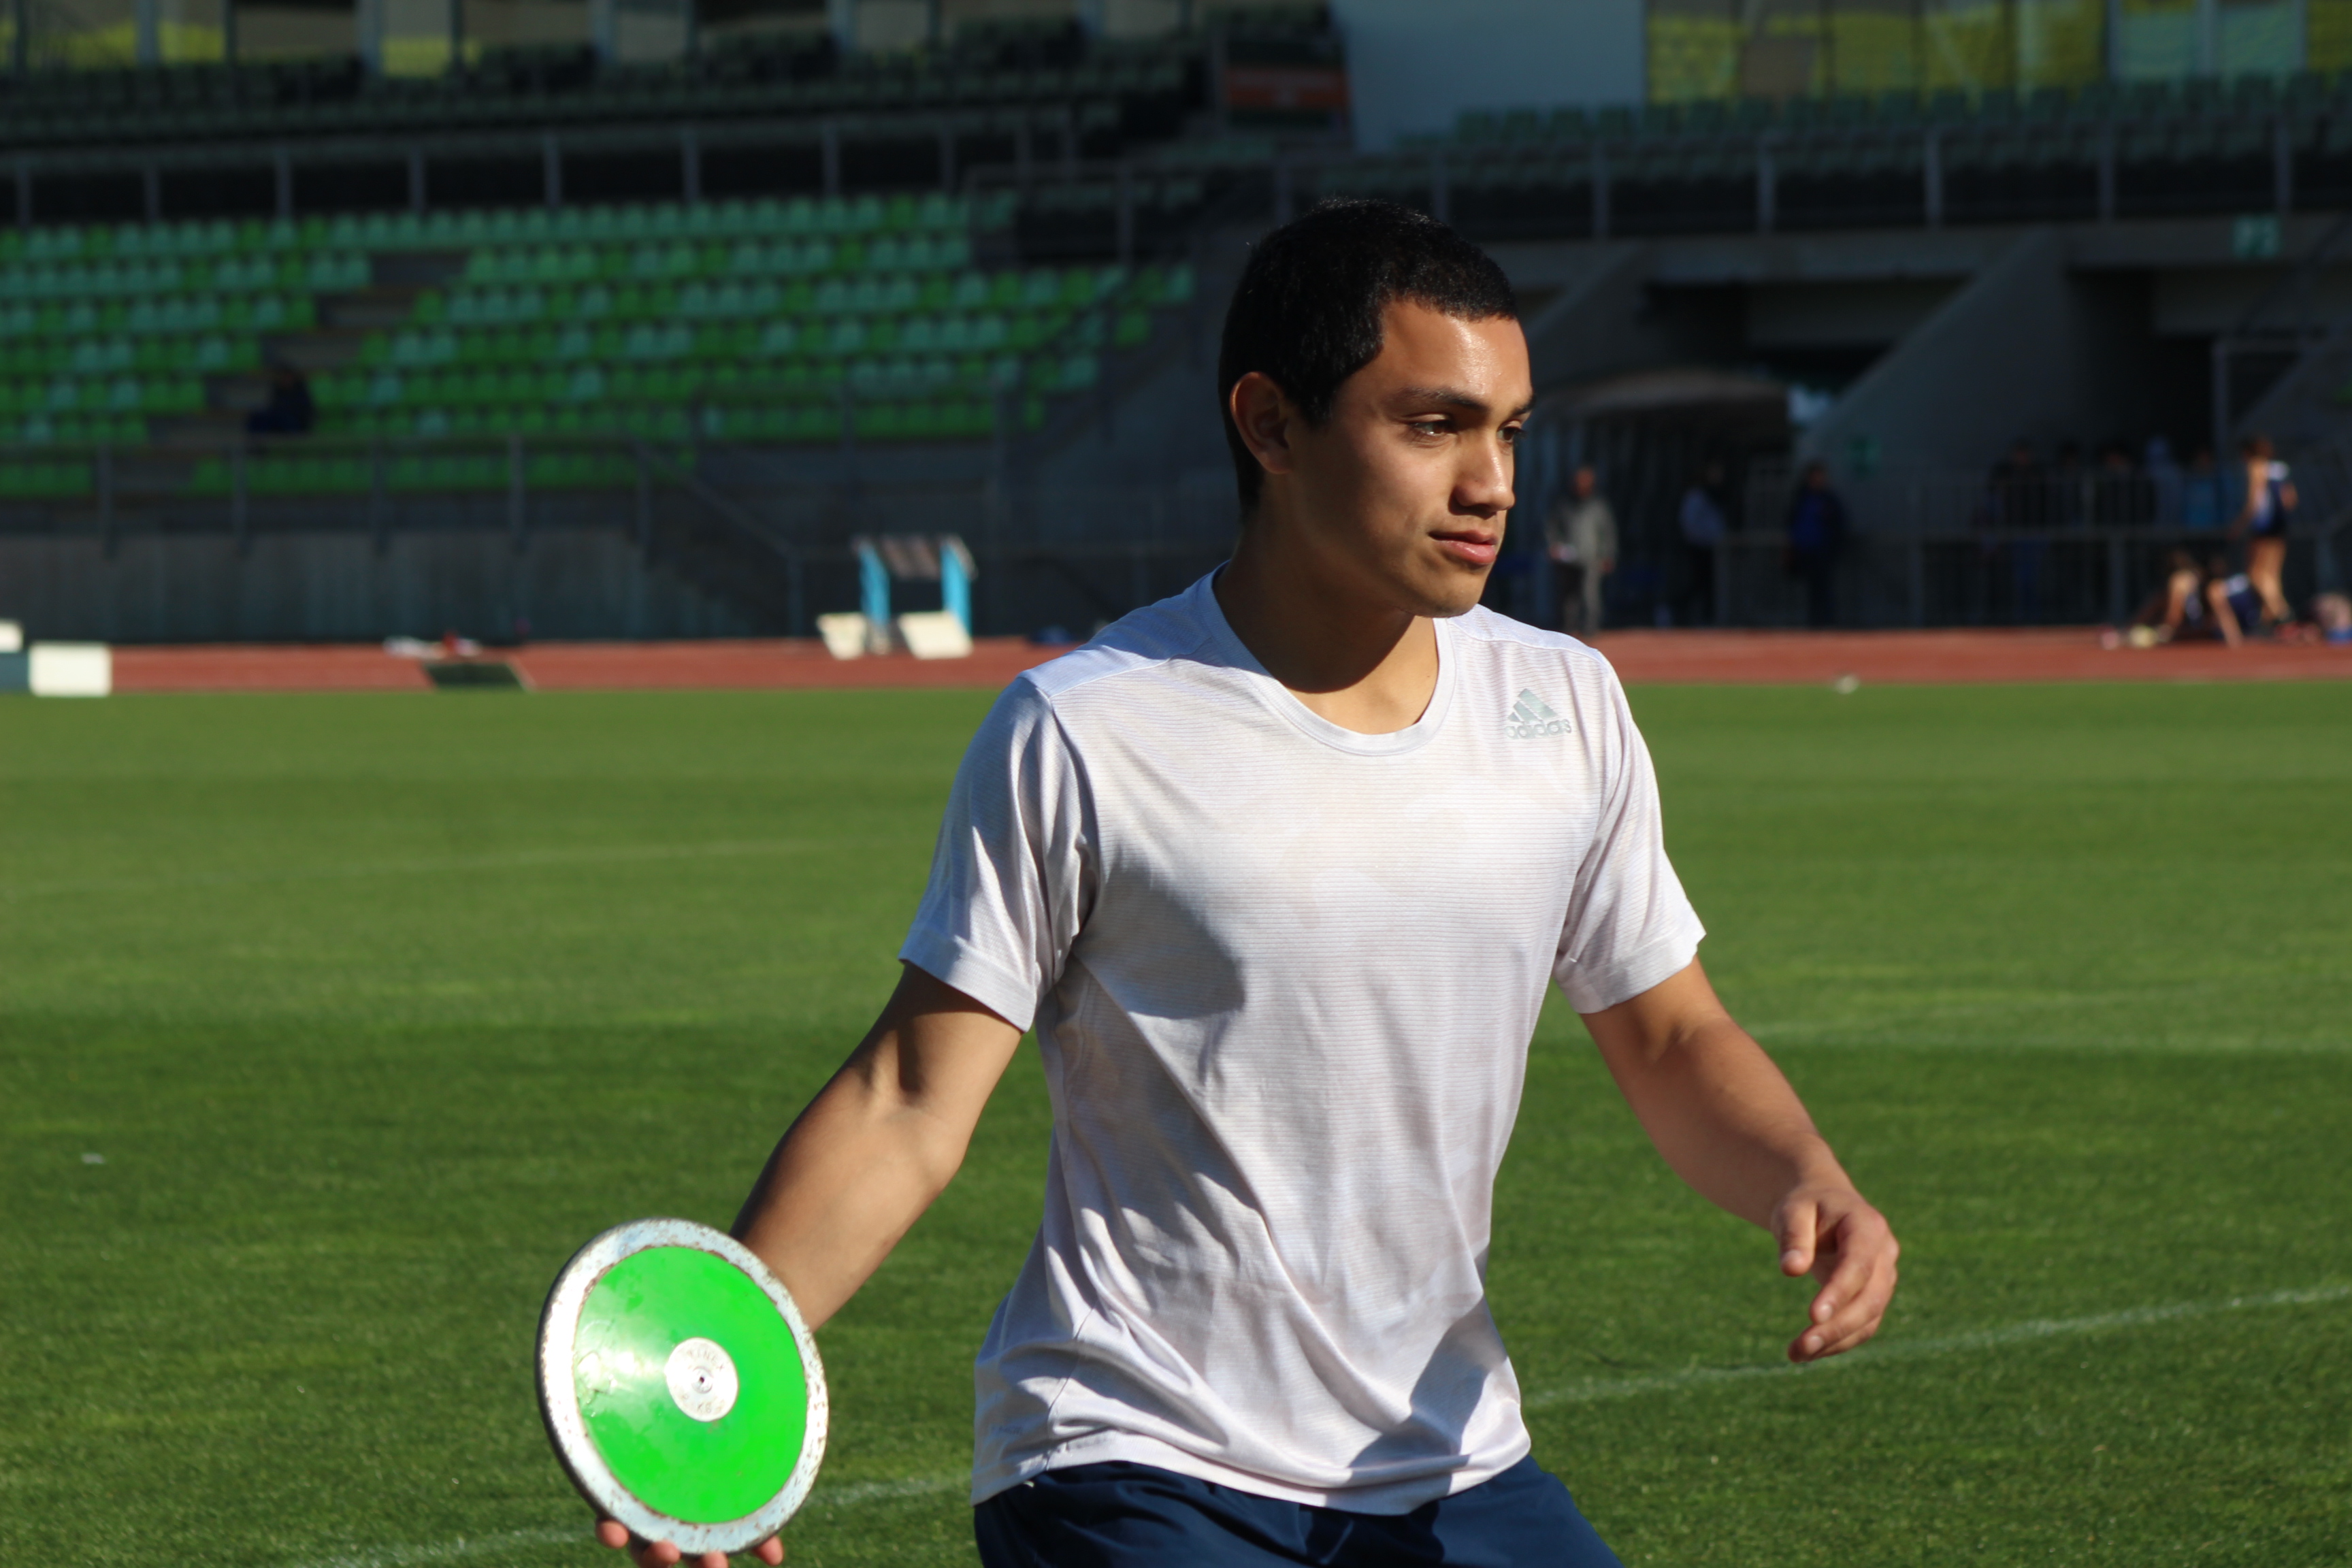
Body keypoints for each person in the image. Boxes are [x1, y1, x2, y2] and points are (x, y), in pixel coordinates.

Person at [596, 199, 1898, 1568]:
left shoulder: (1564, 705)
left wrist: (1806, 1175)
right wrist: (716, 1382)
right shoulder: (1088, 726)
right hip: (1133, 1459)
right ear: (1272, 425)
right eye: (1434, 425)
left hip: (1451, 1461)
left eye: (1510, 430)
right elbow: (910, 1100)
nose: (1493, 482)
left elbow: (1671, 1032)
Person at [2227, 434, 2296, 628]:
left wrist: (2239, 526)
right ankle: (2271, 620)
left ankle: (2283, 615)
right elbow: (2291, 500)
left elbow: (2253, 502)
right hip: (2280, 527)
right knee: (2272, 575)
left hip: (2263, 527)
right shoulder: (2280, 469)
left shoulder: (2256, 466)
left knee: (2256, 574)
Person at [1546, 463, 1616, 634]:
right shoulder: (1563, 505)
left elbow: (1608, 532)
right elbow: (1552, 528)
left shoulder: (1598, 506)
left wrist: (1608, 555)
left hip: (1591, 558)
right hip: (1568, 559)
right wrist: (1554, 546)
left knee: (1589, 594)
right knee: (1568, 597)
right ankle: (1568, 628)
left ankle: (1590, 628)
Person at [1784, 460, 1847, 627]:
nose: (1817, 480)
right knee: (1808, 591)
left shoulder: (1829, 500)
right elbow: (1792, 524)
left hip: (1823, 553)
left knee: (1825, 590)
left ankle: (1827, 624)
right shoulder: (1801, 498)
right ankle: (1811, 625)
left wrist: (1834, 549)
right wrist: (1791, 549)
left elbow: (1839, 525)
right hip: (1805, 552)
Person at [1676, 460, 1728, 626]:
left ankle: (1708, 617)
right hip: (1698, 547)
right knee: (1698, 583)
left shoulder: (1717, 495)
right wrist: (1703, 539)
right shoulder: (1697, 496)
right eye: (1714, 474)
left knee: (1710, 584)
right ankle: (1677, 613)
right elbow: (1689, 523)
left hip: (1714, 548)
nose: (1718, 478)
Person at [246, 362, 314, 435]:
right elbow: (274, 408)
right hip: (279, 419)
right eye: (282, 377)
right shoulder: (278, 391)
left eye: (287, 377)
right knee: (258, 418)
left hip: (295, 422)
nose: (285, 380)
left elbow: (304, 412)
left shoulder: (301, 392)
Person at [2180, 445, 2223, 531]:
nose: (2203, 462)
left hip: (2212, 528)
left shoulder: (2217, 483)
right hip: (2193, 528)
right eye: (2201, 459)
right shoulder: (2190, 483)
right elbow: (2185, 507)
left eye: (2206, 459)